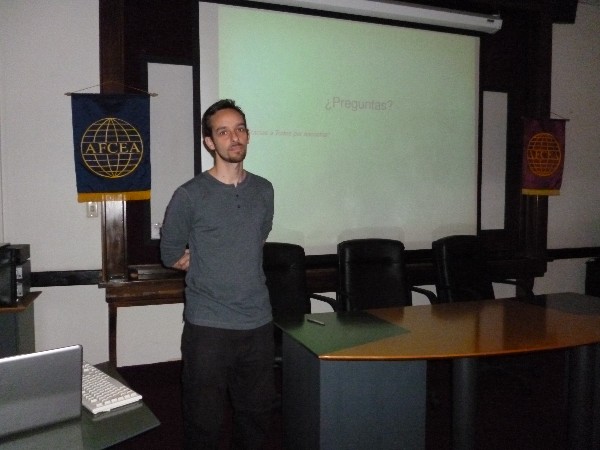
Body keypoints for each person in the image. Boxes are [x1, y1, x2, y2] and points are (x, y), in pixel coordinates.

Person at [160, 99, 275, 449]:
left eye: (240, 129)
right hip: (208, 326)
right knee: (204, 423)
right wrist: (203, 258)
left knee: (256, 419)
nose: (234, 137)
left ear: (248, 135)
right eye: (223, 131)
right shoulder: (189, 195)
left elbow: (258, 236)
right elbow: (169, 254)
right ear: (210, 142)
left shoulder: (264, 189)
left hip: (258, 323)